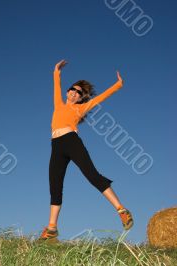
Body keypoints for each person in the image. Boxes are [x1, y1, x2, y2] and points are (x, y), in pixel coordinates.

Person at [40, 59, 133, 240]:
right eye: (72, 89)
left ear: (82, 97)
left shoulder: (81, 108)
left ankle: (121, 210)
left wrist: (118, 85)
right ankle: (51, 229)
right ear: (68, 92)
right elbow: (56, 86)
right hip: (56, 145)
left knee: (92, 175)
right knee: (55, 185)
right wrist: (56, 72)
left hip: (71, 141)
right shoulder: (58, 104)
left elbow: (101, 97)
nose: (74, 92)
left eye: (79, 92)